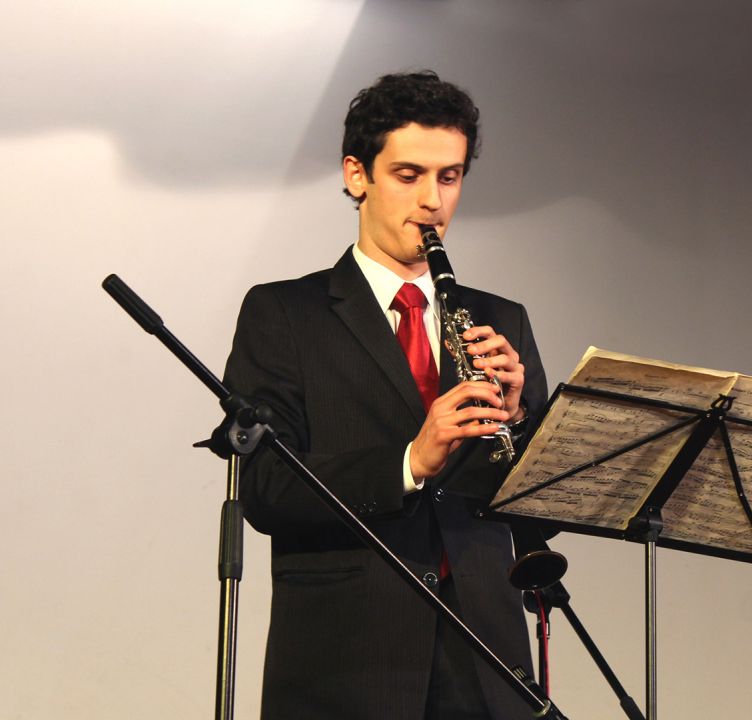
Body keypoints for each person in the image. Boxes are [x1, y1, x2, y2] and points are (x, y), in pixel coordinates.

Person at [224, 70, 548, 720]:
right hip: (348, 661)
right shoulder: (284, 313)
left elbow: (542, 514)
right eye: (408, 175)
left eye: (449, 177)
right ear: (357, 175)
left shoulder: (501, 319)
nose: (432, 201)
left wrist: (518, 421)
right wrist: (409, 462)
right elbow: (266, 489)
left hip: (487, 659)